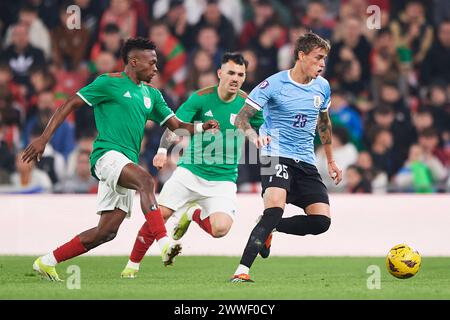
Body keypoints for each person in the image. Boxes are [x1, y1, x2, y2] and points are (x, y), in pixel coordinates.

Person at [21, 37, 218, 281]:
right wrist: (43, 138)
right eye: (152, 62)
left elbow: (176, 125)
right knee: (146, 181)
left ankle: (46, 262)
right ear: (134, 62)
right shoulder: (108, 82)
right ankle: (165, 243)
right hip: (106, 155)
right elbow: (69, 104)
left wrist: (201, 127)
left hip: (126, 163)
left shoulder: (153, 95)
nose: (156, 68)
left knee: (106, 232)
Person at [120, 52, 264, 278]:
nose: (235, 78)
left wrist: (263, 138)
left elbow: (262, 126)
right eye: (231, 73)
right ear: (220, 74)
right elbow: (174, 124)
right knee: (161, 214)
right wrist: (162, 151)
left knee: (221, 229)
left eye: (240, 74)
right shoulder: (200, 98)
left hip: (223, 179)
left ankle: (193, 214)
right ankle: (132, 264)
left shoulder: (248, 104)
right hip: (190, 172)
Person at [230, 32, 343, 282]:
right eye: (318, 58)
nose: (322, 64)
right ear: (301, 56)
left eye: (324, 59)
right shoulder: (274, 84)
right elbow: (241, 118)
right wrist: (253, 136)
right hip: (275, 155)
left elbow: (324, 125)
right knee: (274, 210)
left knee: (321, 222)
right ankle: (242, 271)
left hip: (306, 161)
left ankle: (270, 226)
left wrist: (331, 160)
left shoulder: (322, 87)